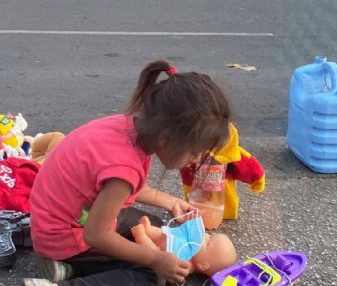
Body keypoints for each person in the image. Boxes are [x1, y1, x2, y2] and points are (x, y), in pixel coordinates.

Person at [27, 59, 231, 285]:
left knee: (150, 223)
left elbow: (116, 187)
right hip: (63, 235)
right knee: (150, 276)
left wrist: (169, 202)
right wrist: (155, 259)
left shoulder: (126, 128)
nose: (197, 159)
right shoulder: (124, 170)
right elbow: (96, 235)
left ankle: (68, 267)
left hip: (54, 218)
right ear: (166, 139)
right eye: (195, 152)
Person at [131, 215, 238, 277]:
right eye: (210, 235)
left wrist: (141, 237)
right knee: (165, 234)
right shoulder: (189, 245)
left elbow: (158, 256)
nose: (205, 236)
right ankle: (149, 230)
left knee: (155, 253)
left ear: (203, 265)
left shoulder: (186, 264)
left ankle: (141, 237)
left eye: (208, 242)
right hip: (163, 241)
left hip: (156, 252)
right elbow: (169, 234)